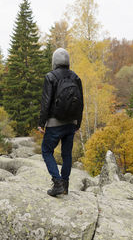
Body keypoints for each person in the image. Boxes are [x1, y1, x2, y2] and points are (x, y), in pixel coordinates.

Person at [38, 48, 83, 197]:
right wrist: (78, 123)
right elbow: (81, 103)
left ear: (54, 61)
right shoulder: (75, 77)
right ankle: (65, 185)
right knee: (66, 155)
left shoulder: (50, 77)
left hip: (54, 123)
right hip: (70, 123)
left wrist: (41, 123)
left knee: (46, 150)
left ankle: (57, 183)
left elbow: (46, 102)